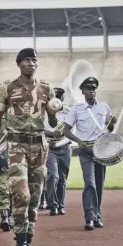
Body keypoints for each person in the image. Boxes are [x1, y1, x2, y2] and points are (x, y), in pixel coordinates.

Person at [0, 47, 59, 246]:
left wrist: (53, 114)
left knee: (34, 199)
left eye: (34, 60)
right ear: (19, 64)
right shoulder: (7, 87)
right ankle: (19, 244)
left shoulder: (46, 88)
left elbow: (52, 123)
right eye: (26, 60)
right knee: (21, 194)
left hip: (40, 146)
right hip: (16, 145)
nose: (31, 63)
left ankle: (27, 243)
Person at [62, 76, 117, 231]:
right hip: (85, 150)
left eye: (93, 89)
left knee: (99, 185)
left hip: (101, 151)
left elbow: (109, 128)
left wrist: (112, 123)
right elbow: (65, 130)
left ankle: (97, 216)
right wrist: (78, 141)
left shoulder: (104, 107)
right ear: (83, 91)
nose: (91, 91)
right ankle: (89, 218)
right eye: (88, 89)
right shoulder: (76, 109)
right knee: (90, 184)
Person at [44, 87, 72, 216]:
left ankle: (60, 204)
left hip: (65, 147)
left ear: (62, 98)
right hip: (50, 147)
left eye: (59, 97)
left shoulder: (68, 111)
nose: (56, 99)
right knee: (52, 176)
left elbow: (72, 129)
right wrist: (52, 133)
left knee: (62, 179)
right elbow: (40, 129)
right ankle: (53, 204)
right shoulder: (44, 111)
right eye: (54, 96)